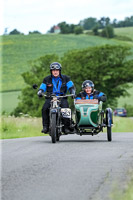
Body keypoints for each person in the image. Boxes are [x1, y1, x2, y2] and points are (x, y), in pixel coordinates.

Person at [37, 62, 76, 133]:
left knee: (65, 109)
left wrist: (72, 93)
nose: (55, 72)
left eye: (57, 70)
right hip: (50, 98)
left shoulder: (66, 78)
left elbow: (71, 87)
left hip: (62, 97)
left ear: (59, 71)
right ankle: (46, 127)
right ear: (51, 71)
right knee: (45, 109)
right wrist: (40, 92)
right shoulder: (46, 79)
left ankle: (66, 127)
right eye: (53, 70)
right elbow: (42, 87)